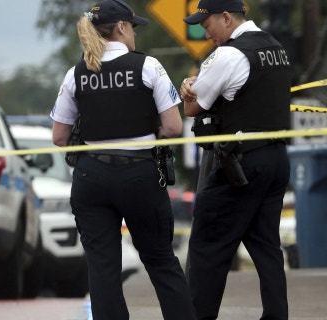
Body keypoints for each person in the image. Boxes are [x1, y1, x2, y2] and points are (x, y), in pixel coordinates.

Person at [50, 1, 195, 319]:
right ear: (120, 28)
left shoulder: (77, 73)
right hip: (139, 175)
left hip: (91, 178)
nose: (135, 34)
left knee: (102, 268)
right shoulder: (148, 66)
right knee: (160, 261)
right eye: (133, 27)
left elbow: (59, 137)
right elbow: (172, 127)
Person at [180, 0, 292, 319]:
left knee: (207, 246)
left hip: (240, 164)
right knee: (267, 247)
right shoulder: (276, 47)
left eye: (207, 25)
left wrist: (188, 86)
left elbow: (192, 107)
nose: (206, 34)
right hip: (275, 158)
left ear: (226, 18)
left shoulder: (229, 54)